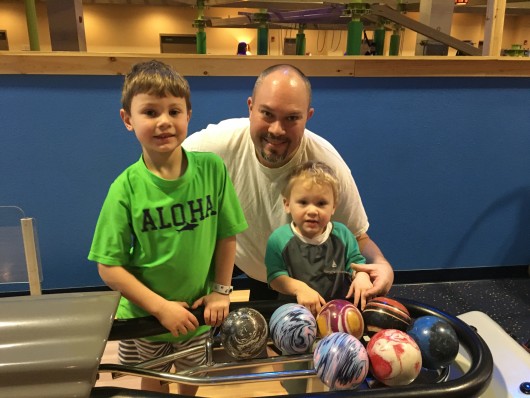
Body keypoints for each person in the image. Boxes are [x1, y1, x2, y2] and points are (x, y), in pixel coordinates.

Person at [88, 60, 248, 394]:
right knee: (156, 380)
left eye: (174, 111)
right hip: (148, 317)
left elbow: (227, 235)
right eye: (150, 112)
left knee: (193, 376)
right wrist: (160, 309)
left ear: (188, 115)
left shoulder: (212, 169)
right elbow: (108, 267)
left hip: (199, 310)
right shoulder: (126, 188)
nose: (164, 122)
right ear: (128, 120)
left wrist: (221, 291)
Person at [183, 63, 393, 302]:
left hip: (290, 275)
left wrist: (381, 263)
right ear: (250, 108)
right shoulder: (215, 144)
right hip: (234, 255)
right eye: (267, 114)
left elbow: (357, 236)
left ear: (307, 117)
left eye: (292, 118)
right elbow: (159, 169)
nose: (277, 130)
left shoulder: (328, 165)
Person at [265, 160, 373, 316]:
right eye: (303, 202)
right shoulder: (278, 240)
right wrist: (300, 289)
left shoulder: (343, 234)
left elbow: (356, 264)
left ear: (334, 207)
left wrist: (362, 276)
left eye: (321, 203)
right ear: (287, 204)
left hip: (339, 315)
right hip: (295, 317)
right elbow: (275, 277)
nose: (312, 211)